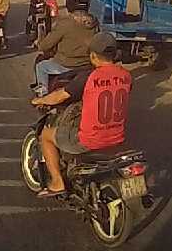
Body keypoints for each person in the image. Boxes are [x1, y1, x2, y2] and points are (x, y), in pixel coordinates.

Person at [30, 32, 133, 197]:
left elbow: (60, 96)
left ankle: (57, 182)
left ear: (93, 55)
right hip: (118, 137)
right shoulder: (126, 75)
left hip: (89, 140)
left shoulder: (89, 77)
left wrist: (40, 100)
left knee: (46, 136)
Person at [33, 0, 99, 95]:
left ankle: (43, 94)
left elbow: (45, 46)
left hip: (66, 65)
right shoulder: (94, 23)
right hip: (87, 65)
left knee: (41, 66)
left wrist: (39, 43)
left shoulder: (65, 23)